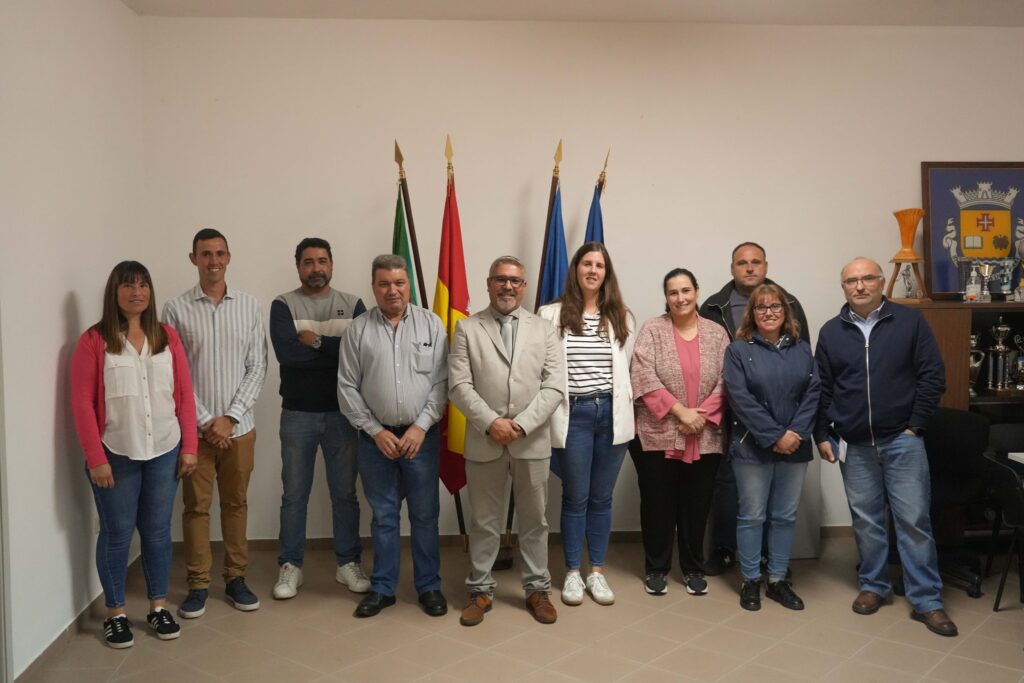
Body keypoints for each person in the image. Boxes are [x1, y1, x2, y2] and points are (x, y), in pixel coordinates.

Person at [815, 257, 957, 637]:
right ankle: (874, 585)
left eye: (867, 278)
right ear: (843, 287)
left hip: (901, 441)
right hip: (854, 443)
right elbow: (822, 388)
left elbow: (932, 375)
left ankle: (927, 600)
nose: (859, 286)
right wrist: (822, 434)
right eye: (851, 281)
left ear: (881, 282)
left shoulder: (909, 322)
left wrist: (915, 425)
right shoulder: (831, 332)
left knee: (913, 521)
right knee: (866, 521)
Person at [70, 261, 198, 648]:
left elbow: (184, 395)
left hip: (164, 449)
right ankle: (116, 613)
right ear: (115, 292)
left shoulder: (167, 337)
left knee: (157, 532)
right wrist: (96, 458)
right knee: (116, 533)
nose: (137, 292)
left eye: (143, 285)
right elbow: (82, 404)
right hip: (116, 453)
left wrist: (189, 446)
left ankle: (158, 607)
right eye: (128, 285)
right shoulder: (94, 341)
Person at [449, 256, 565, 626]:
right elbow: (458, 385)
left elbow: (554, 386)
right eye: (500, 279)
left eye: (515, 281)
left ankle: (537, 590)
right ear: (488, 283)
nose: (508, 286)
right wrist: (491, 423)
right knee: (484, 521)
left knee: (535, 521)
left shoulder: (544, 329)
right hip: (485, 440)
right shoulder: (467, 328)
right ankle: (480, 590)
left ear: (524, 286)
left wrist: (521, 425)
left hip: (531, 441)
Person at [163, 229, 268, 617]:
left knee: (236, 504)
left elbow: (258, 366)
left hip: (240, 429)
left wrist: (230, 417)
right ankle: (198, 584)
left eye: (220, 253)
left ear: (229, 257)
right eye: (205, 254)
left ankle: (236, 578)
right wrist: (209, 421)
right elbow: (175, 373)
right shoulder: (175, 310)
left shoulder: (250, 306)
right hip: (196, 433)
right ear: (193, 258)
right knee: (196, 508)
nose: (213, 261)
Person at [338, 255, 449, 618]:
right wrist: (375, 430)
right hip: (376, 441)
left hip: (422, 438)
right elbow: (347, 387)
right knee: (384, 516)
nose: (392, 290)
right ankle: (383, 588)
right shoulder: (358, 330)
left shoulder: (432, 324)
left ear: (408, 286)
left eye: (399, 283)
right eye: (384, 284)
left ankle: (428, 586)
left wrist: (421, 425)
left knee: (425, 515)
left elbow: (442, 382)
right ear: (374, 287)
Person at [700, 242, 810, 575]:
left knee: (774, 492)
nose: (749, 268)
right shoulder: (713, 306)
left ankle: (769, 557)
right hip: (727, 411)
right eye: (742, 263)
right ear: (732, 268)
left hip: (783, 416)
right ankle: (724, 548)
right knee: (727, 485)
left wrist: (791, 428)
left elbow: (804, 364)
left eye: (755, 262)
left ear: (766, 266)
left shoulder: (789, 302)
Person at [269, 237, 370, 599]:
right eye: (308, 262)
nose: (316, 268)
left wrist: (313, 341)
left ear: (332, 264)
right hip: (297, 414)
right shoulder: (283, 304)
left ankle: (348, 563)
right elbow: (287, 356)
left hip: (343, 413)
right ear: (298, 266)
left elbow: (358, 355)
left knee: (345, 494)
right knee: (294, 495)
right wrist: (334, 351)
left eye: (322, 261)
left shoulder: (353, 304)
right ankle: (290, 566)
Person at [538, 242, 634, 606]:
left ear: (607, 273)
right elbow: (541, 367)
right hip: (573, 414)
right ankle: (572, 574)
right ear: (576, 269)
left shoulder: (621, 316)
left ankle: (596, 571)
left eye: (599, 265)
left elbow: (626, 372)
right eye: (587, 264)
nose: (593, 270)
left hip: (610, 414)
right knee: (575, 497)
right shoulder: (551, 314)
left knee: (601, 497)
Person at [630, 268, 728, 596]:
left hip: (705, 434)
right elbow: (642, 373)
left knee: (696, 506)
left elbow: (728, 379)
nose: (680, 298)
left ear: (697, 291)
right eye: (673, 292)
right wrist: (680, 411)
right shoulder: (652, 329)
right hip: (658, 434)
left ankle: (693, 568)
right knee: (657, 505)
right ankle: (656, 568)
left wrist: (701, 416)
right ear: (666, 297)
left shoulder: (716, 333)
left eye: (686, 290)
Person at [722, 284, 820, 611]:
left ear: (785, 312)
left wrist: (794, 433)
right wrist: (776, 435)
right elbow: (739, 398)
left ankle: (777, 579)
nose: (769, 313)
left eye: (775, 306)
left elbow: (813, 393)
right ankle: (750, 579)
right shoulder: (738, 351)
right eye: (761, 307)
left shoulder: (802, 349)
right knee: (752, 516)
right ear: (752, 314)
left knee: (784, 516)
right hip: (751, 448)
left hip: (795, 447)